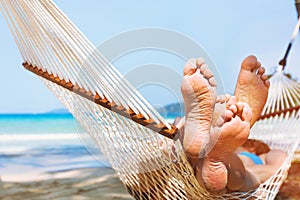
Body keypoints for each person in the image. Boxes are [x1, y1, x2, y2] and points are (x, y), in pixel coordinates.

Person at [178, 55, 287, 193]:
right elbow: (277, 167)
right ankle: (214, 157)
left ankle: (190, 133)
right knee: (245, 175)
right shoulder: (258, 157)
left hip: (197, 168)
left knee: (202, 161)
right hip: (228, 170)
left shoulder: (250, 153)